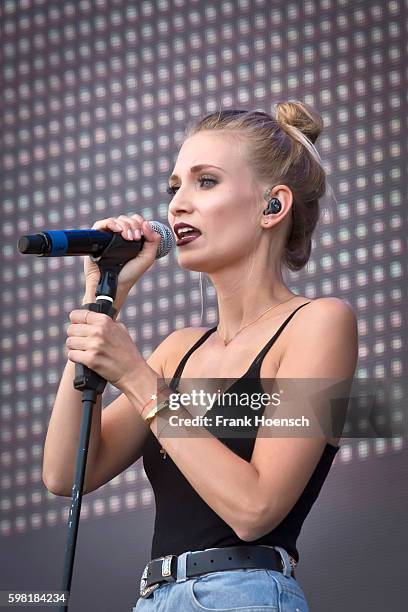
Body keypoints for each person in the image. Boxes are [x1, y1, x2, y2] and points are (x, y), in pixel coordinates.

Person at [43, 102, 358, 611]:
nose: (176, 206)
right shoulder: (177, 352)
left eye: (204, 182)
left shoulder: (320, 323)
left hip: (245, 593)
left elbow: (255, 509)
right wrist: (104, 299)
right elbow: (64, 474)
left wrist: (137, 379)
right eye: (174, 189)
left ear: (272, 207)